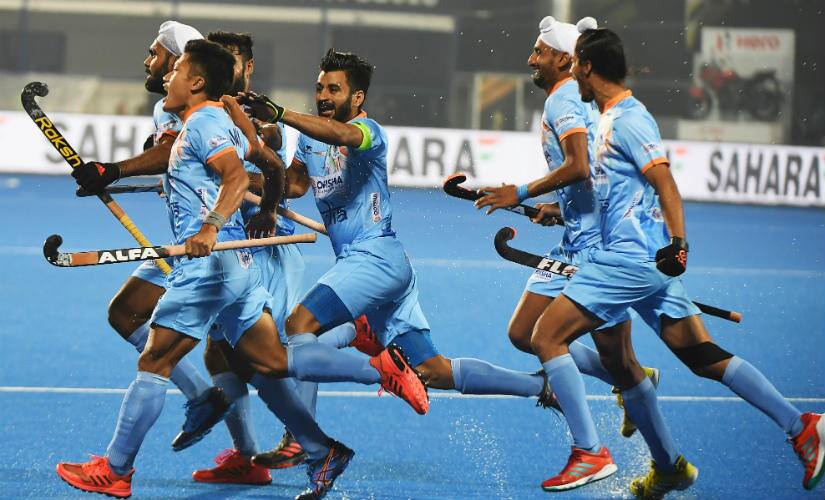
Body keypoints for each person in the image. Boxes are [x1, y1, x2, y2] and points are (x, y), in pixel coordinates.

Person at [56, 39, 426, 500]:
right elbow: (268, 167)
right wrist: (120, 176)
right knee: (271, 361)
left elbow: (234, 177)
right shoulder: (218, 120)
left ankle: (115, 470)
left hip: (209, 266)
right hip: (237, 265)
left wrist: (211, 224)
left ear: (196, 81)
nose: (166, 78)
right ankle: (357, 401)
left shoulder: (205, 122)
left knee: (155, 360)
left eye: (176, 72)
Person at [530, 24, 825, 497]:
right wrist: (555, 211)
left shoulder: (627, 118)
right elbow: (616, 189)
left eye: (576, 67)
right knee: (703, 357)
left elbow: (665, 183)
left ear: (586, 67)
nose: (573, 79)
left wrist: (679, 241)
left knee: (544, 335)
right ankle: (801, 426)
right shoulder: (607, 116)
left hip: (628, 262)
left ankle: (589, 452)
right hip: (646, 261)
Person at [238, 49, 562, 453]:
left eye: (334, 89)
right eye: (320, 87)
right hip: (379, 268)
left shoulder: (369, 131)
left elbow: (343, 136)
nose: (323, 95)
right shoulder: (310, 139)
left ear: (357, 98)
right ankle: (540, 386)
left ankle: (303, 440)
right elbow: (296, 184)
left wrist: (280, 113)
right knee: (433, 370)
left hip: (372, 259)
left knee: (299, 327)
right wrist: (236, 178)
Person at [191, 30, 383, 483]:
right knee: (223, 352)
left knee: (282, 345)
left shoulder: (261, 118)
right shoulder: (205, 111)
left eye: (232, 59)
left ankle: (345, 355)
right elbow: (289, 181)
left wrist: (258, 194)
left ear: (248, 66)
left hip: (268, 245)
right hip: (234, 248)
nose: (224, 65)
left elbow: (277, 173)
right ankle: (249, 455)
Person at [474, 15, 660, 445]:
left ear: (562, 58)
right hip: (573, 239)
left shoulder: (565, 101)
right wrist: (559, 207)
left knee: (609, 356)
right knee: (523, 332)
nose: (531, 59)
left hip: (596, 249)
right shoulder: (567, 98)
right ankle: (631, 380)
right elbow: (589, 174)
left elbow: (577, 164)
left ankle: (640, 450)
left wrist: (516, 192)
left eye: (539, 52)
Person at [68, 20, 231, 453]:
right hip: (191, 242)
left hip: (218, 244)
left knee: (266, 359)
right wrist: (115, 175)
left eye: (156, 54)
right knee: (126, 313)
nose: (149, 62)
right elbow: (170, 162)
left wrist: (114, 169)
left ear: (179, 64)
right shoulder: (170, 109)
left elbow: (175, 156)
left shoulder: (202, 114)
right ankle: (205, 400)